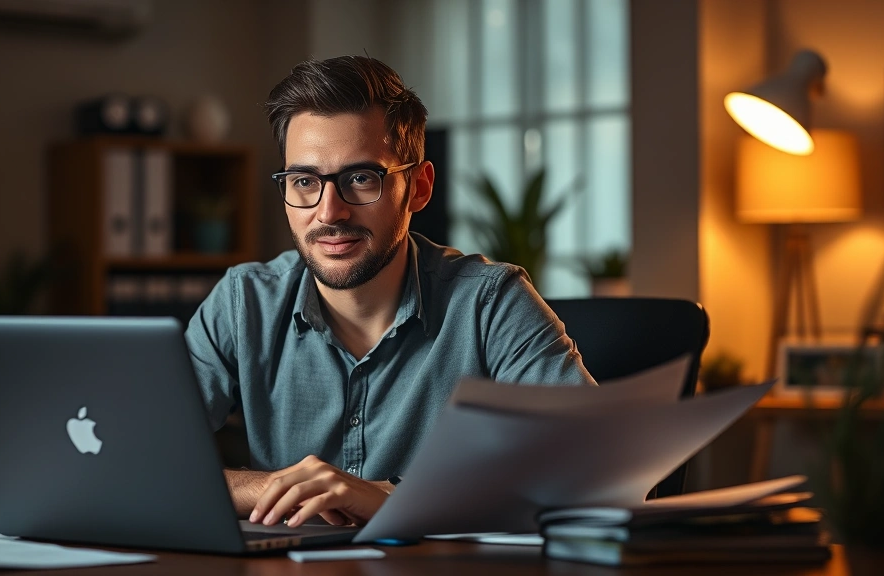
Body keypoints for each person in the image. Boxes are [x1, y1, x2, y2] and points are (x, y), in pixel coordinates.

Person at [185, 55, 595, 530]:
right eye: (304, 181)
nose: (329, 212)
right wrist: (269, 488)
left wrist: (399, 497)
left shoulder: (489, 303)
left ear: (418, 188)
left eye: (361, 178)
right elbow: (133, 453)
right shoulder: (244, 303)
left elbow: (601, 467)